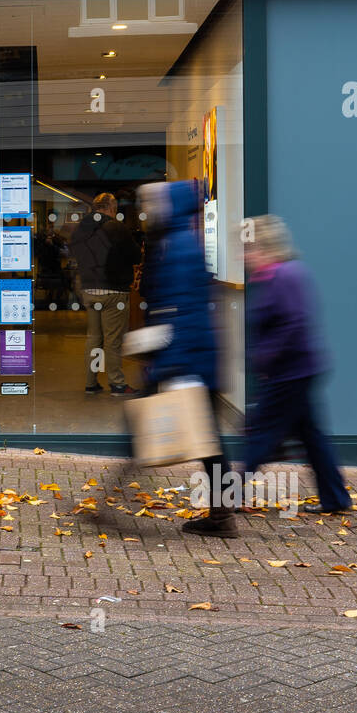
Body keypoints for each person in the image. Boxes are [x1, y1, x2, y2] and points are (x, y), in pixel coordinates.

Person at [138, 180, 239, 537]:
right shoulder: (177, 243)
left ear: (170, 207)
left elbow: (178, 313)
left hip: (190, 361)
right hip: (196, 358)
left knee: (204, 442)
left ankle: (223, 515)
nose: (147, 209)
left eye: (153, 203)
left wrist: (165, 364)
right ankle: (223, 512)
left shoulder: (177, 248)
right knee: (209, 443)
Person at [242, 215, 350, 515]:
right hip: (297, 369)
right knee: (312, 436)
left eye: (248, 249)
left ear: (265, 247)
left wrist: (266, 356)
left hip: (289, 372)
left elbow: (294, 322)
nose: (244, 255)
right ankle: (336, 498)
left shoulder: (284, 276)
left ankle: (226, 498)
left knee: (261, 435)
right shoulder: (279, 275)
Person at [70, 192, 142, 395]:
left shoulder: (82, 228)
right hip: (113, 292)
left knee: (93, 337)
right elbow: (135, 255)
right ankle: (117, 383)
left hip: (89, 290)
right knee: (113, 340)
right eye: (115, 206)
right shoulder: (116, 227)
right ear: (111, 207)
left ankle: (90, 382)